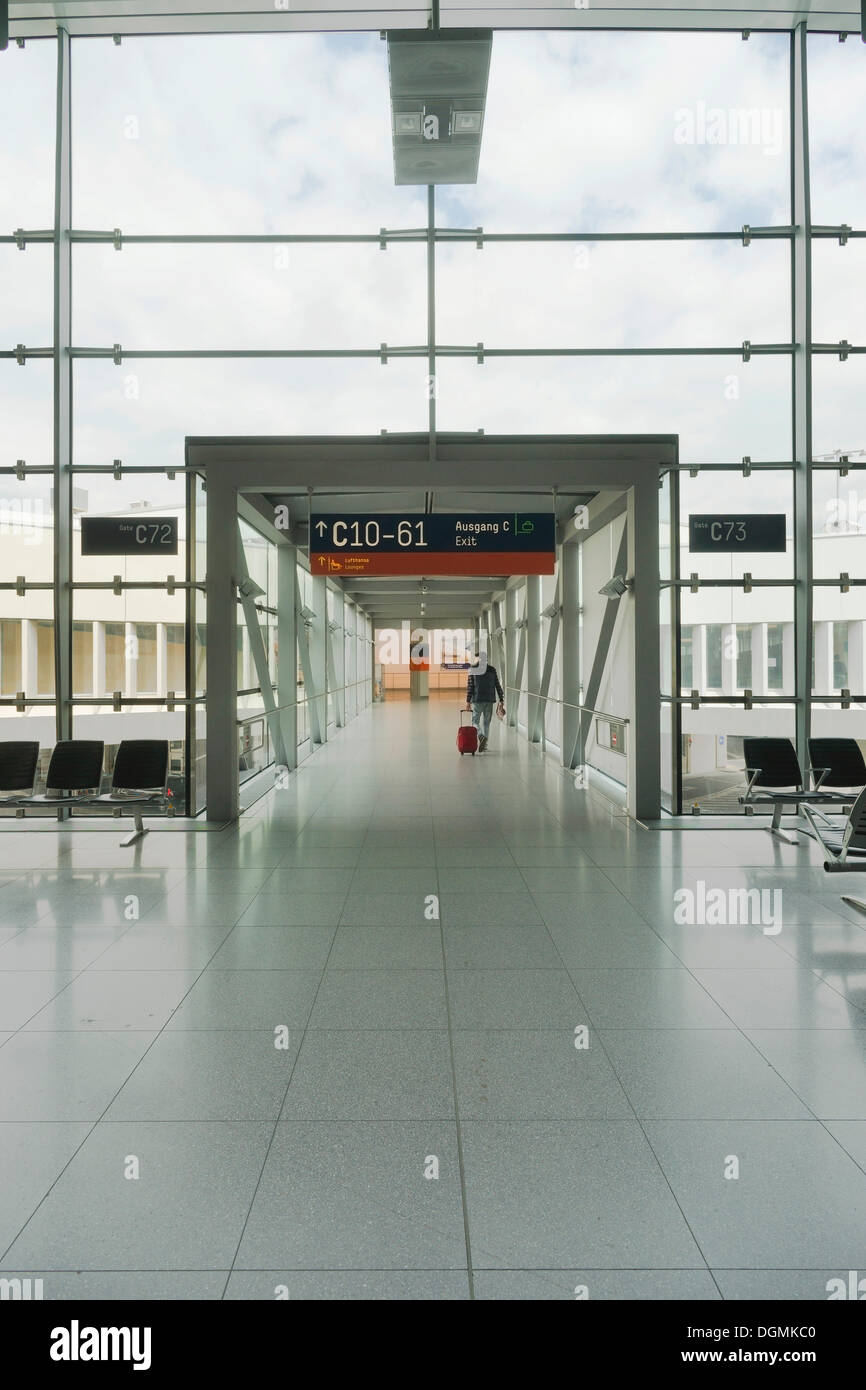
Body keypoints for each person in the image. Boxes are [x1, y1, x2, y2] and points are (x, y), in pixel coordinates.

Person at [463, 652, 504, 753]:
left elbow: (470, 687)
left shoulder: (472, 670)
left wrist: (468, 701)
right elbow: (497, 685)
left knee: (475, 721)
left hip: (477, 700)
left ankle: (480, 736)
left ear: (479, 659)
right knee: (486, 723)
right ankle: (484, 745)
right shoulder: (492, 669)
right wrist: (501, 699)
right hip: (489, 700)